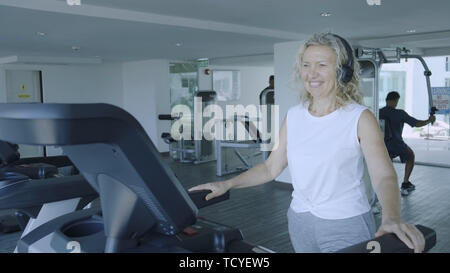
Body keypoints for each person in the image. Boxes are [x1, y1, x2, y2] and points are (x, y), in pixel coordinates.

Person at [189, 33, 425, 253]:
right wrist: (226, 184)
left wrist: (391, 216)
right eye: (306, 65)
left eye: (322, 65)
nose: (311, 74)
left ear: (342, 72)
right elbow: (271, 167)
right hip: (299, 220)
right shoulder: (294, 115)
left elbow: (383, 175)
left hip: (344, 221)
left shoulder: (359, 117)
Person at [379, 91, 436, 196]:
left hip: (382, 146)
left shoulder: (378, 112)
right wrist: (429, 120)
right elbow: (417, 123)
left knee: (386, 163)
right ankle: (405, 183)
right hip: (397, 145)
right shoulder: (399, 113)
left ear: (387, 100)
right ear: (396, 100)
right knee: (410, 155)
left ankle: (384, 187)